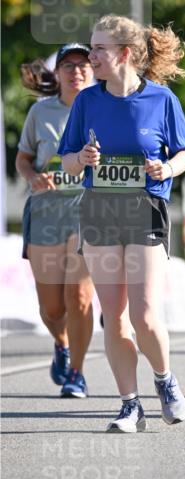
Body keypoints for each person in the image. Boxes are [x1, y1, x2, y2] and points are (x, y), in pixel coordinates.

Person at [59, 15, 185, 433]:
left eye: (98, 48)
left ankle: (164, 380)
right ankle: (129, 404)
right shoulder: (86, 101)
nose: (91, 55)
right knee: (113, 316)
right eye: (90, 47)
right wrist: (81, 159)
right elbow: (66, 160)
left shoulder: (161, 100)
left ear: (123, 53)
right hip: (99, 210)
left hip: (143, 210)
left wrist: (166, 168)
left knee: (145, 314)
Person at [16, 44, 96, 398]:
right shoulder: (40, 112)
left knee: (79, 296)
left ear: (94, 70)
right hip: (46, 211)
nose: (76, 71)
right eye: (68, 65)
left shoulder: (105, 108)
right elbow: (23, 158)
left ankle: (76, 372)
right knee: (52, 308)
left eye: (83, 64)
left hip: (88, 210)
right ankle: (61, 343)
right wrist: (32, 177)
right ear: (57, 73)